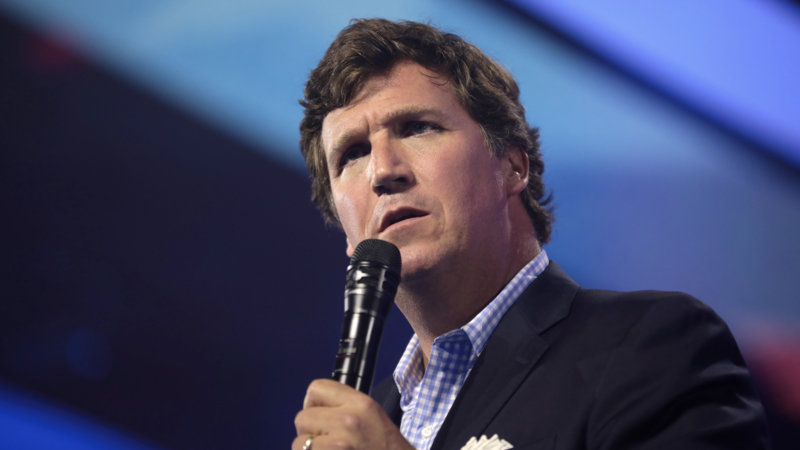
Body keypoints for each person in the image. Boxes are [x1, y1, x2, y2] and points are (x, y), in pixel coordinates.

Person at [293, 18, 769, 450]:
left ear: (512, 166)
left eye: (417, 127)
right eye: (352, 154)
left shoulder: (651, 345)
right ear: (347, 234)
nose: (381, 171)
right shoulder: (368, 420)